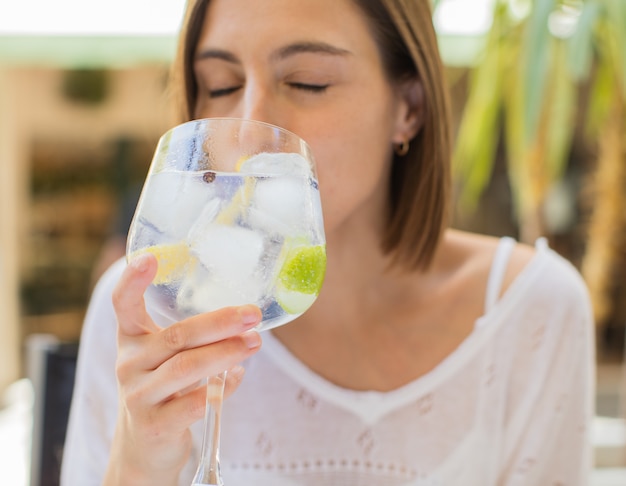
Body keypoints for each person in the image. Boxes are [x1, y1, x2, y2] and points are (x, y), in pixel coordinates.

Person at [61, 0, 595, 485]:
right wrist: (140, 460)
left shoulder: (531, 310)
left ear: (409, 107)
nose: (249, 129)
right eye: (222, 85)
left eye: (308, 82)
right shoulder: (151, 301)